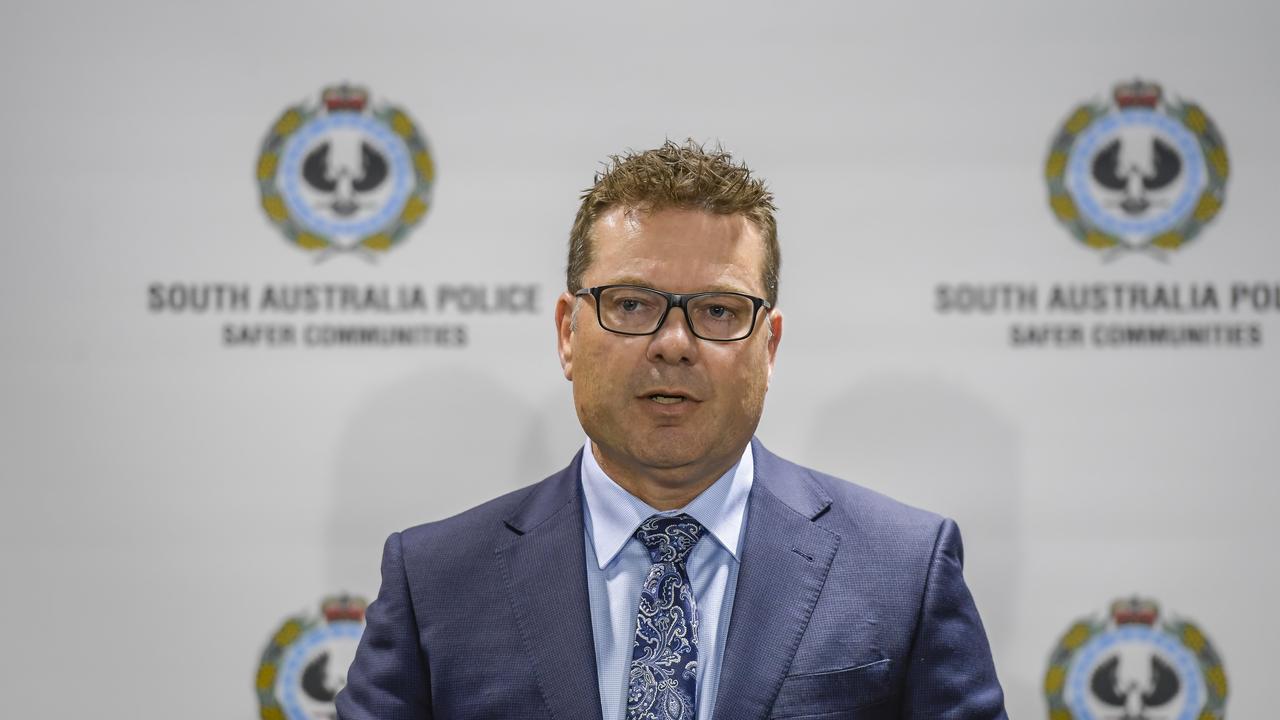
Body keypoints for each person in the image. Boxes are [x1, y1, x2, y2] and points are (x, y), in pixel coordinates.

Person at [336, 141, 1007, 720]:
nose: (675, 344)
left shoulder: (904, 570)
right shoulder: (435, 583)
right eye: (632, 304)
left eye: (718, 310)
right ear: (568, 333)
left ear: (768, 346)